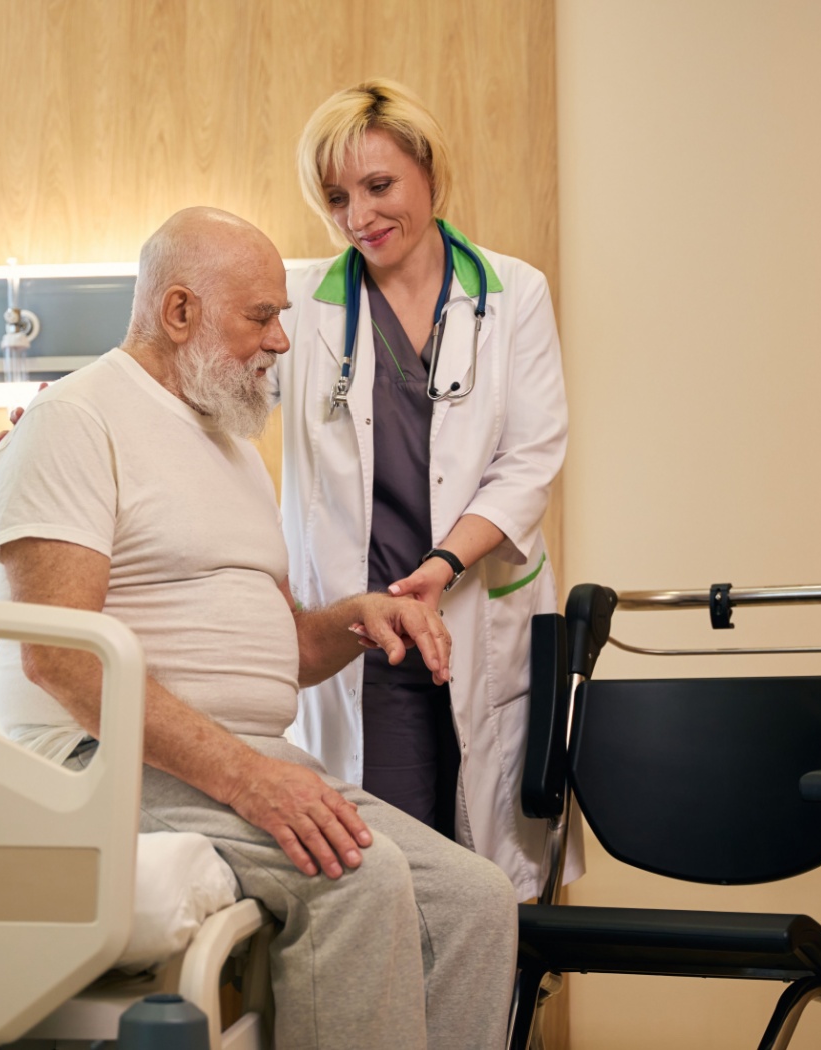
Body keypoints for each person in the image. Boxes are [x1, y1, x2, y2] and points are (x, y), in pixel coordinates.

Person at [0, 206, 518, 1050]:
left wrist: (352, 620)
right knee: (359, 877)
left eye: (282, 317)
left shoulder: (230, 446)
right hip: (108, 758)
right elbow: (61, 662)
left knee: (475, 901)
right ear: (180, 311)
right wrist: (246, 780)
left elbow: (286, 651)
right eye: (260, 316)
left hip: (250, 753)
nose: (279, 341)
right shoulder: (74, 423)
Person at [272, 80, 577, 898]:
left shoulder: (514, 295)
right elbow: (206, 392)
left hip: (477, 616)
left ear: (430, 175)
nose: (358, 216)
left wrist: (442, 566)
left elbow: (532, 457)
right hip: (369, 639)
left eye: (379, 187)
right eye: (336, 197)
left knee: (491, 881)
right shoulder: (300, 304)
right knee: (386, 880)